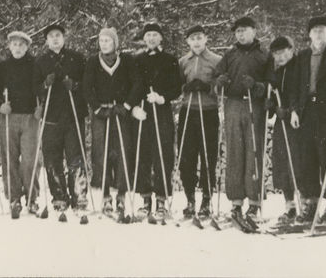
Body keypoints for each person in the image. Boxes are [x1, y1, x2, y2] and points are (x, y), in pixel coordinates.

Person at [290, 16, 326, 225]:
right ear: (309, 34)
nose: (318, 34)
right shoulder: (303, 56)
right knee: (308, 159)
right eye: (315, 30)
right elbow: (296, 85)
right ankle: (311, 205)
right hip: (306, 112)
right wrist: (295, 110)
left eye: (322, 30)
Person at [213, 17, 270, 232]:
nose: (240, 34)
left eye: (244, 31)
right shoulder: (230, 54)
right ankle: (236, 202)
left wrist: (257, 86)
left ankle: (254, 203)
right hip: (233, 104)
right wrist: (219, 82)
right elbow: (217, 75)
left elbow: (270, 83)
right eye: (237, 31)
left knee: (253, 153)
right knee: (235, 152)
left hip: (254, 106)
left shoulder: (263, 55)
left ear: (254, 31)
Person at [128, 23, 182, 221]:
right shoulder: (136, 60)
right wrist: (133, 107)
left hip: (161, 111)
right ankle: (145, 200)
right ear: (144, 39)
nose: (151, 38)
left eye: (155, 35)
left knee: (162, 154)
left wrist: (162, 97)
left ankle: (161, 200)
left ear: (161, 38)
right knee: (142, 154)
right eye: (148, 35)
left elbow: (177, 87)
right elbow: (131, 85)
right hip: (142, 111)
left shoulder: (170, 60)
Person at [33, 24, 89, 212]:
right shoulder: (40, 62)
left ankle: (79, 195)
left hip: (73, 115)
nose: (55, 39)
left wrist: (75, 85)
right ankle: (59, 196)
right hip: (51, 117)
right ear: (46, 40)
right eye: (51, 36)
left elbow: (88, 86)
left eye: (58, 35)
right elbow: (34, 89)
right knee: (52, 158)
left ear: (64, 37)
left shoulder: (77, 58)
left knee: (76, 157)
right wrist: (44, 85)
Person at [82, 27, 134, 219]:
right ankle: (105, 195)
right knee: (100, 150)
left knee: (122, 150)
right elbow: (87, 87)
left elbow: (135, 83)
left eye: (108, 41)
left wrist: (126, 105)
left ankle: (121, 195)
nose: (104, 44)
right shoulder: (93, 62)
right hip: (101, 113)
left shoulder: (125, 61)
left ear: (115, 43)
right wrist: (97, 108)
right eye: (101, 40)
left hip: (120, 111)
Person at [177, 25, 222, 220]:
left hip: (208, 112)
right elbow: (176, 85)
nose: (196, 41)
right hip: (188, 111)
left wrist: (208, 87)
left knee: (207, 156)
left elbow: (221, 86)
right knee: (186, 157)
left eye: (199, 37)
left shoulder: (216, 60)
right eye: (192, 38)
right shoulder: (183, 61)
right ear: (188, 41)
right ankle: (189, 199)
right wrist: (184, 87)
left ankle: (206, 199)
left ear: (205, 39)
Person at [0, 30, 40, 218]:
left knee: (30, 159)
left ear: (27, 47)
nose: (17, 48)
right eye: (14, 44)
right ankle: (14, 198)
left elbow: (42, 88)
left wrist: (41, 107)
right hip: (9, 117)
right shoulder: (3, 67)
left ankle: (32, 198)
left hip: (30, 117)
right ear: (9, 46)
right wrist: (0, 105)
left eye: (21, 45)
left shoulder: (35, 65)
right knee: (9, 159)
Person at [267, 36, 301, 223]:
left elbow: (301, 93)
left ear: (291, 49)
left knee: (298, 162)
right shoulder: (277, 72)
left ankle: (306, 205)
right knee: (281, 161)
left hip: (297, 121)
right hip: (282, 122)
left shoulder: (300, 66)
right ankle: (290, 206)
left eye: (282, 52)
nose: (279, 57)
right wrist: (271, 105)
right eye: (276, 54)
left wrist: (290, 111)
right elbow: (274, 95)